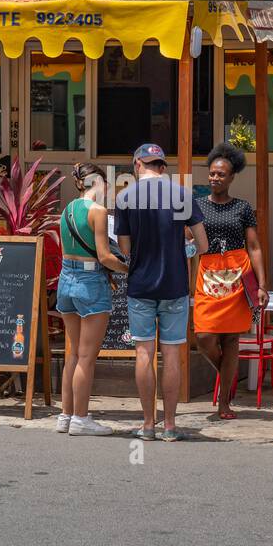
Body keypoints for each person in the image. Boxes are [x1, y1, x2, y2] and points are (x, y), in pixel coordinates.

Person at [115, 143, 208, 441]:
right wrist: (186, 247)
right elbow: (202, 246)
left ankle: (147, 425)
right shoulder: (182, 194)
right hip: (175, 286)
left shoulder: (125, 197)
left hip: (140, 286)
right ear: (163, 167)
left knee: (143, 353)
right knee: (171, 354)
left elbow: (125, 248)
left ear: (138, 165)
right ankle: (169, 426)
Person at [194, 142, 269, 419]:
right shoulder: (197, 206)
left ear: (232, 177)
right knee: (203, 338)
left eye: (221, 174)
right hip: (208, 273)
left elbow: (255, 246)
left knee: (231, 340)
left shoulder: (243, 207)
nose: (215, 178)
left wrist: (262, 285)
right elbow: (187, 240)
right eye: (212, 173)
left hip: (238, 274)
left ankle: (224, 400)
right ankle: (226, 371)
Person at [56, 163, 128, 437]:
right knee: (87, 357)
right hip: (90, 283)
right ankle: (81, 419)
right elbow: (105, 256)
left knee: (73, 354)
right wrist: (129, 269)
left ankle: (66, 415)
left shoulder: (67, 210)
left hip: (66, 281)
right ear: (97, 182)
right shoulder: (98, 212)